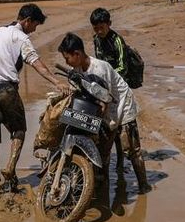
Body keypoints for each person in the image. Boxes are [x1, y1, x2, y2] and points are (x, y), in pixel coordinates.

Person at [0, 3, 66, 195]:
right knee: (19, 130)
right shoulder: (21, 38)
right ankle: (10, 167)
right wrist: (57, 83)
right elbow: (36, 63)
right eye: (35, 25)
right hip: (7, 88)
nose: (34, 30)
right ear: (27, 21)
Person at [57, 32, 151, 193]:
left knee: (132, 148)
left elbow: (104, 101)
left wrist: (94, 123)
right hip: (103, 108)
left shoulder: (100, 68)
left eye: (67, 58)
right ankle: (103, 186)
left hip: (121, 105)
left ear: (77, 54)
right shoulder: (77, 69)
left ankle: (143, 185)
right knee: (103, 152)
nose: (66, 62)